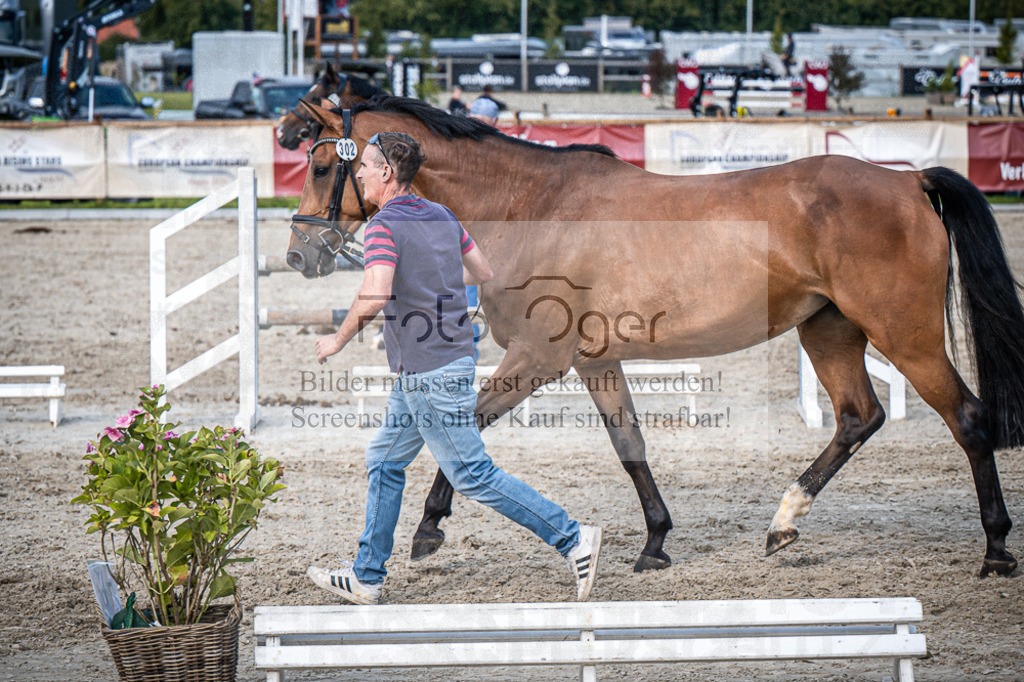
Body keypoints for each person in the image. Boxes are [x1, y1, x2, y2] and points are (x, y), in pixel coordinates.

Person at [307, 131, 602, 605]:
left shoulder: (383, 226)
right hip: (443, 361)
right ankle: (367, 575)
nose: (359, 172)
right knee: (384, 460)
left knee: (472, 475)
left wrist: (338, 339)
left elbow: (377, 292)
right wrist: (428, 270)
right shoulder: (442, 215)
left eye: (366, 165)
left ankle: (573, 538)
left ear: (387, 172)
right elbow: (481, 270)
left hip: (429, 370)